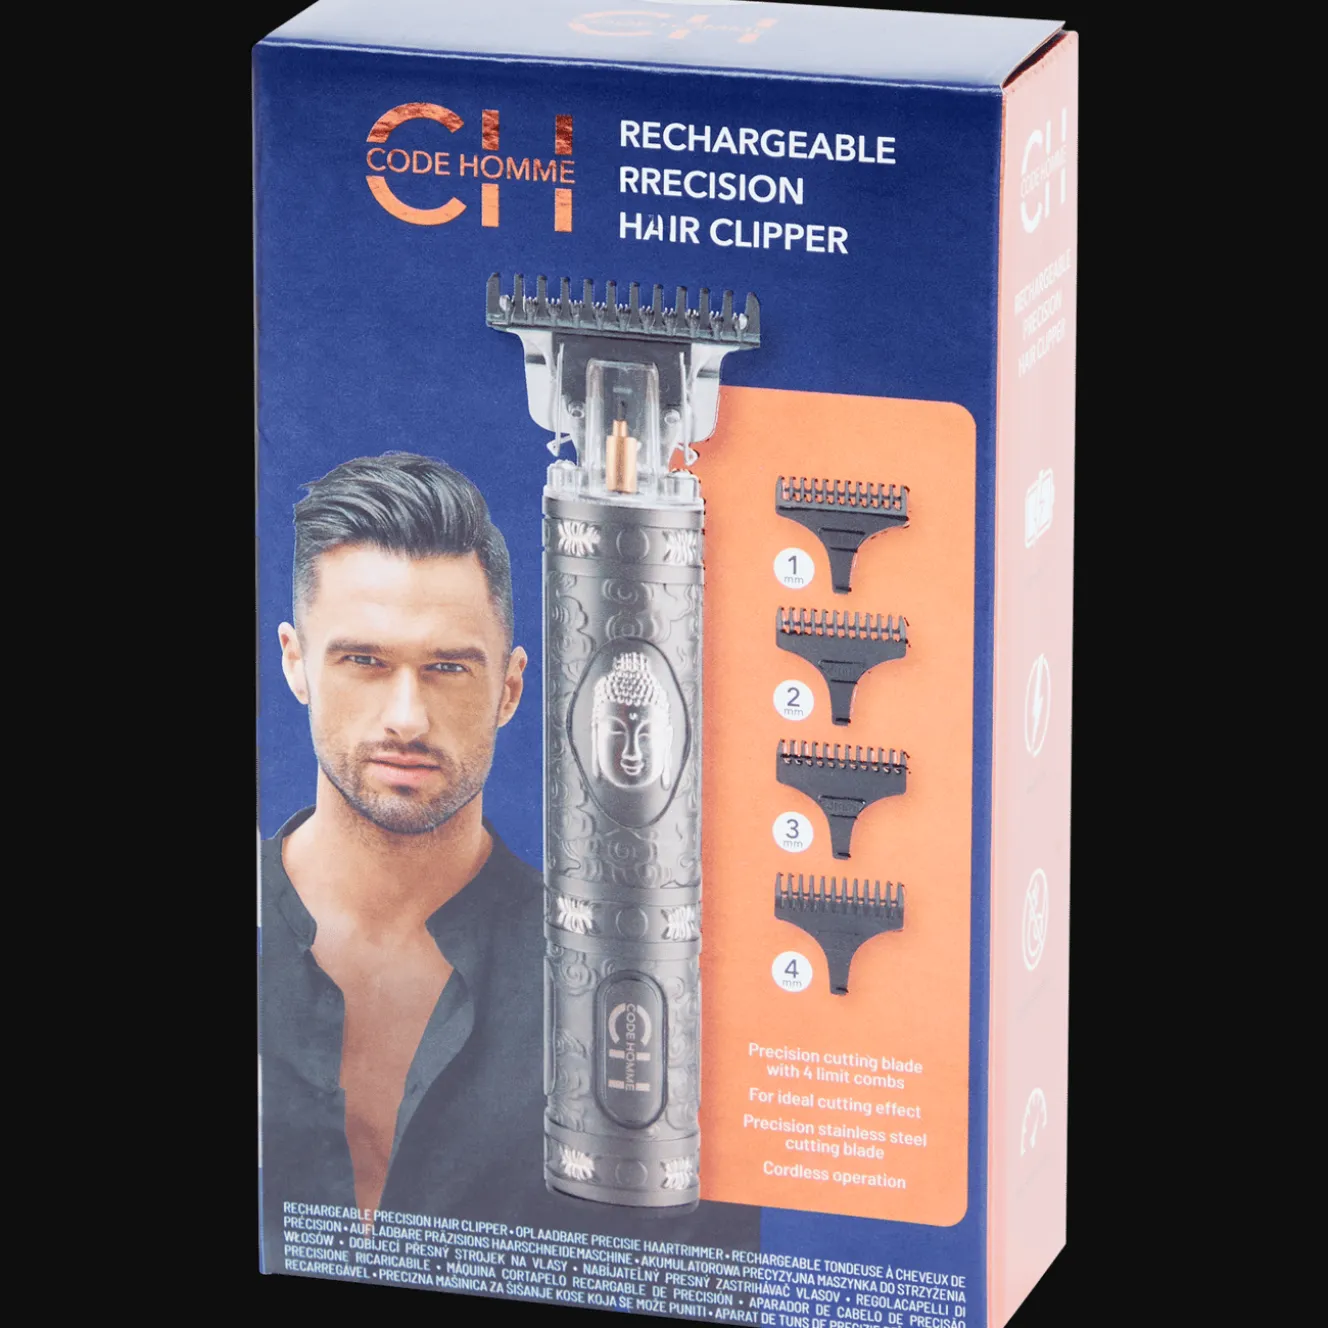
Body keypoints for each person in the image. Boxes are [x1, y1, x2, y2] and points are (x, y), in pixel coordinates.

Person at [259, 453, 757, 1265]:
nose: (406, 717)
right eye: (365, 662)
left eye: (448, 668)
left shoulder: (624, 979)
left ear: (512, 687)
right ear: (295, 662)